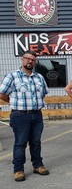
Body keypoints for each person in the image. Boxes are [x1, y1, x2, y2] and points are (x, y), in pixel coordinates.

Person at [0, 50, 49, 182]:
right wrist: (14, 102)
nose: (30, 61)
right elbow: (2, 93)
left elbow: (43, 93)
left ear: (35, 61)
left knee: (36, 142)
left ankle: (38, 165)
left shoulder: (39, 77)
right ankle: (18, 170)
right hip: (20, 115)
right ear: (22, 59)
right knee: (20, 143)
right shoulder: (12, 76)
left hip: (37, 115)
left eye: (33, 59)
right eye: (27, 58)